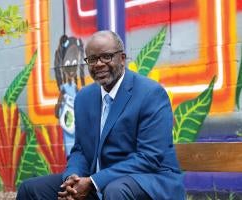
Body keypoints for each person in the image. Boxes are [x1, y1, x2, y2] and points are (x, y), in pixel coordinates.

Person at [16, 30, 185, 200]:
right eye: (92, 59)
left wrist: (93, 181)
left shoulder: (150, 94)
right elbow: (80, 150)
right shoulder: (83, 97)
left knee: (115, 190)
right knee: (30, 189)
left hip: (148, 181)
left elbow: (149, 158)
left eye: (106, 57)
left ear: (122, 58)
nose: (98, 64)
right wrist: (72, 179)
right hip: (98, 181)